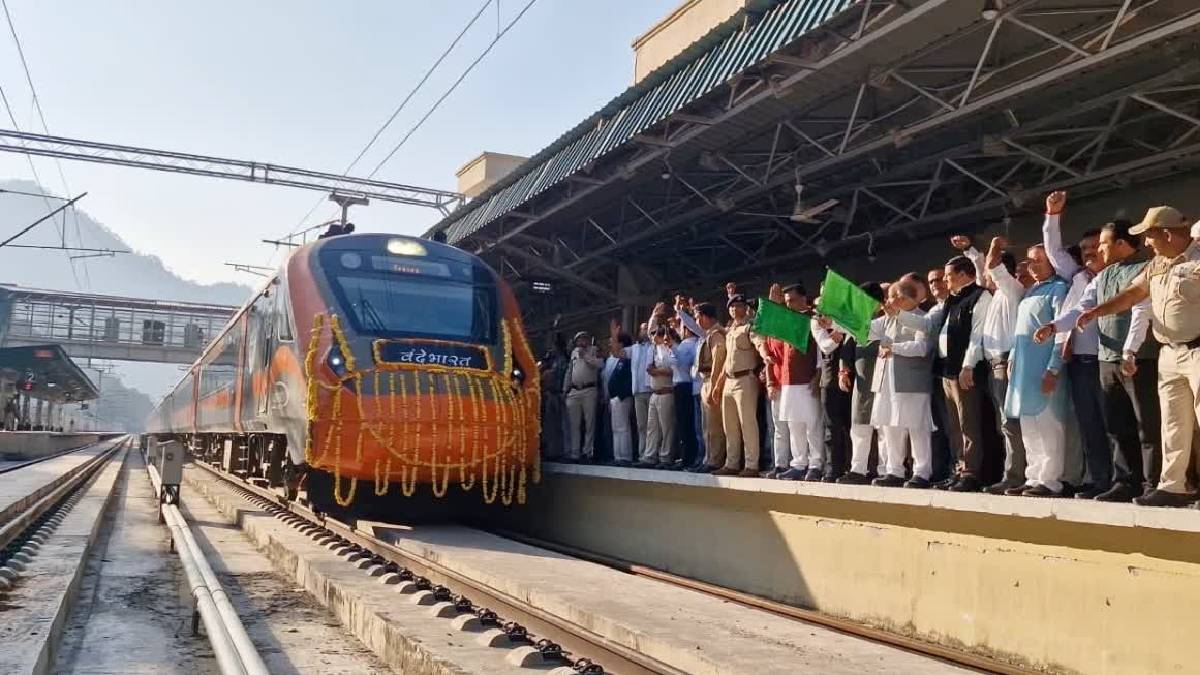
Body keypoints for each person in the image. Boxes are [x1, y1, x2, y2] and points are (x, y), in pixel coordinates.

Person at [1079, 205, 1200, 508]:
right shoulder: (1158, 263)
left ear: (1168, 234)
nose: (1146, 243)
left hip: (1198, 350)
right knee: (1172, 424)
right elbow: (1133, 294)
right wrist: (1097, 311)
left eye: (1149, 236)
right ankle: (1175, 486)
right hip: (1169, 354)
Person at [1041, 217, 1160, 502]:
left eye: (1104, 244)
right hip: (1106, 360)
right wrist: (1054, 326)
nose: (1099, 250)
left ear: (1121, 243)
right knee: (1118, 425)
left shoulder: (1145, 269)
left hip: (1139, 359)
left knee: (1147, 424)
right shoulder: (1103, 276)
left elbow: (1140, 313)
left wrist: (1130, 350)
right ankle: (1125, 481)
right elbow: (1082, 308)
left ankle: (1153, 483)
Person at [898, 255, 993, 491]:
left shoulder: (980, 296)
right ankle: (958, 469)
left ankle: (971, 472)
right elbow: (929, 325)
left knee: (968, 422)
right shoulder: (951, 300)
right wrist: (897, 313)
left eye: (949, 276)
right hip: (946, 370)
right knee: (953, 425)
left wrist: (968, 365)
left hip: (964, 370)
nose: (945, 281)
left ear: (963, 275)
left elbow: (977, 335)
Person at [1040, 191, 1108, 498]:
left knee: (1115, 425)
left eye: (1095, 247)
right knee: (1089, 425)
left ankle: (1123, 479)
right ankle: (1098, 479)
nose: (1089, 252)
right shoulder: (1079, 275)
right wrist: (1052, 216)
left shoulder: (1120, 276)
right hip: (1080, 362)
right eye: (1084, 249)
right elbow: (1053, 250)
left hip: (1108, 360)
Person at [963, 236, 1030, 495]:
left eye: (991, 273)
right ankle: (1010, 473)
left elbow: (989, 265)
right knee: (1004, 423)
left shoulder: (1012, 290)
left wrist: (994, 247)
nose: (985, 278)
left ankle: (1015, 475)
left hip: (1006, 362)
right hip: (993, 365)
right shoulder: (993, 297)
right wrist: (970, 251)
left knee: (1011, 423)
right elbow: (983, 269)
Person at [1005, 245, 1070, 497]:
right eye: (1029, 262)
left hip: (1043, 368)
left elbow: (1061, 332)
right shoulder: (1030, 291)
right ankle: (1033, 477)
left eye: (1038, 261)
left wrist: (1053, 369)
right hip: (1024, 370)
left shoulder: (1059, 289)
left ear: (1052, 262)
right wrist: (1012, 357)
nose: (1032, 266)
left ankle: (1050, 480)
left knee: (1048, 425)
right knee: (1029, 426)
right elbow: (1020, 332)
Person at [874, 280, 934, 488]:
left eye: (892, 296)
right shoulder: (887, 320)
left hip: (912, 382)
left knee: (917, 427)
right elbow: (864, 329)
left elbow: (922, 347)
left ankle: (922, 472)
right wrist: (835, 323)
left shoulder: (922, 318)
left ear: (903, 297)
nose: (889, 301)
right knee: (891, 426)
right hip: (887, 383)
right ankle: (895, 470)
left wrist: (894, 347)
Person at [764, 283, 824, 481]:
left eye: (792, 301)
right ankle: (799, 463)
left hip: (807, 380)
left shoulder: (813, 319)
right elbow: (768, 334)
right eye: (786, 301)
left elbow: (820, 352)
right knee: (794, 424)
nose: (788, 305)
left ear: (803, 299)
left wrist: (818, 376)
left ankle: (816, 464)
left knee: (812, 424)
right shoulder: (789, 321)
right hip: (788, 381)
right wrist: (774, 305)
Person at [837, 282, 886, 485]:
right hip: (862, 382)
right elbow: (846, 350)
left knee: (885, 428)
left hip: (883, 381)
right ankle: (858, 470)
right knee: (859, 426)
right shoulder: (857, 323)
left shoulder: (887, 320)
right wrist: (843, 371)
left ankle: (885, 471)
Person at [712, 295, 763, 477]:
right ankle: (732, 463)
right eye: (732, 307)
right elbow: (727, 360)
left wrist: (766, 357)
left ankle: (751, 464)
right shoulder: (731, 331)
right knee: (730, 425)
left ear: (745, 308)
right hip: (729, 380)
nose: (735, 309)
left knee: (747, 423)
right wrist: (718, 384)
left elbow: (759, 343)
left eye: (739, 306)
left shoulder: (750, 327)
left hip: (745, 379)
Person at [693, 302, 727, 472]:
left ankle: (714, 460)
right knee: (707, 426)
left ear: (705, 317)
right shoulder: (709, 334)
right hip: (705, 381)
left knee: (714, 426)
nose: (697, 321)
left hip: (712, 382)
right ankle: (708, 458)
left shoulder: (716, 335)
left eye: (698, 317)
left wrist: (714, 385)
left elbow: (718, 362)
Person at [639, 327, 678, 469]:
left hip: (666, 392)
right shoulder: (654, 350)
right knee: (652, 427)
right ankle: (649, 456)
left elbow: (672, 370)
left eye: (657, 335)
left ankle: (666, 457)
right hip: (654, 393)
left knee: (666, 427)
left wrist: (656, 371)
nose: (654, 337)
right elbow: (649, 368)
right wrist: (654, 370)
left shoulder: (670, 349)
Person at [564, 331, 604, 463]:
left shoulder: (594, 350)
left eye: (584, 339)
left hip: (589, 390)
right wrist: (565, 389)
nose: (582, 341)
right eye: (579, 339)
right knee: (574, 424)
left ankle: (588, 452)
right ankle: (575, 453)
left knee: (589, 422)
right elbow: (570, 371)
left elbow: (599, 365)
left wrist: (586, 356)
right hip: (574, 391)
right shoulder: (574, 352)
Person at [667, 314, 700, 470]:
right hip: (685, 386)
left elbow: (678, 362)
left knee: (685, 424)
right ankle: (687, 456)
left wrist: (672, 346)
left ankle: (688, 457)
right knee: (686, 424)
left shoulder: (688, 344)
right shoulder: (689, 343)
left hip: (683, 385)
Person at [538, 334, 569, 459]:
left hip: (558, 394)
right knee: (549, 426)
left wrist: (548, 373)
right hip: (549, 394)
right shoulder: (550, 360)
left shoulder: (563, 360)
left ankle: (558, 451)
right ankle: (551, 450)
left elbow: (557, 375)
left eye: (555, 345)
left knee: (558, 425)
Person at [607, 333, 636, 466]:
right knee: (616, 428)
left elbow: (627, 379)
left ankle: (625, 456)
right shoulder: (620, 360)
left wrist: (622, 394)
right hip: (614, 398)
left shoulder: (628, 359)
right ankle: (617, 456)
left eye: (615, 342)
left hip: (622, 397)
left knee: (623, 427)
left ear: (622, 344)